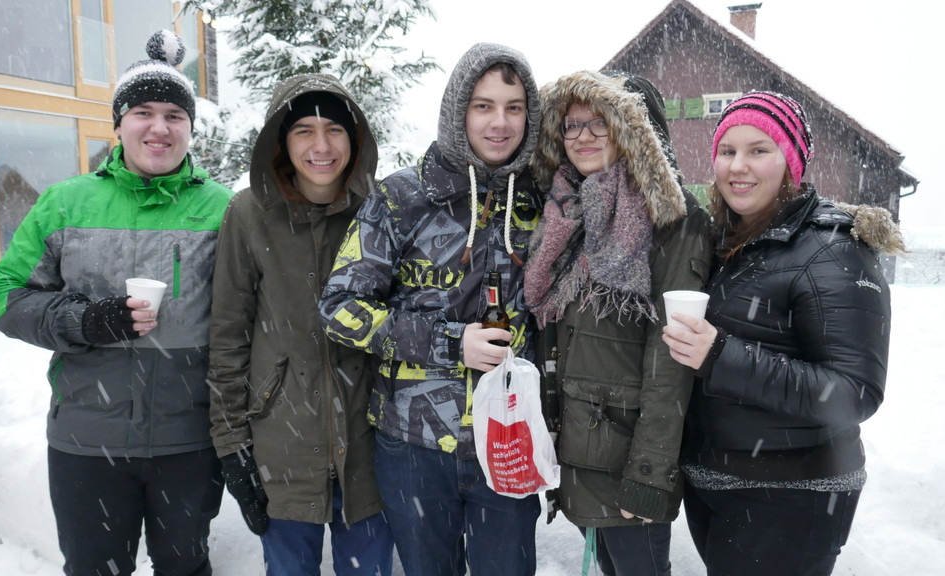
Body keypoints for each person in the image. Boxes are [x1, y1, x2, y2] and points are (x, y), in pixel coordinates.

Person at [0, 30, 232, 576]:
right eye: (143, 111)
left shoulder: (224, 210)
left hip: (188, 442)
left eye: (174, 114)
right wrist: (84, 320)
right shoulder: (66, 202)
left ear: (191, 128)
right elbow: (4, 297)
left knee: (186, 567)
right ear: (118, 124)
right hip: (86, 441)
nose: (159, 127)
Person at [319, 43, 544, 576]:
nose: (499, 122)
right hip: (414, 446)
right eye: (483, 106)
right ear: (457, 111)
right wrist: (449, 342)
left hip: (508, 438)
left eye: (514, 107)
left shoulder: (544, 200)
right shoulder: (403, 197)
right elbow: (339, 308)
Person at [662, 91, 905, 576]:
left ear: (791, 161)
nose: (738, 166)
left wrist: (721, 356)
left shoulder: (832, 250)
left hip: (792, 495)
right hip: (719, 483)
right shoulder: (726, 240)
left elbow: (854, 392)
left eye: (758, 150)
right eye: (727, 151)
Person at [523, 70, 711, 576]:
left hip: (628, 458)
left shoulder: (673, 220)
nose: (582, 137)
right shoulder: (567, 208)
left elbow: (671, 362)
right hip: (580, 447)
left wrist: (648, 475)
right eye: (571, 125)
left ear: (634, 131)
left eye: (599, 124)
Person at [207, 74, 394, 575]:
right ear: (280, 142)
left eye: (334, 128)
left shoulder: (382, 211)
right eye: (303, 131)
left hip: (369, 444)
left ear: (354, 138)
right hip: (281, 445)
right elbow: (228, 337)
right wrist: (233, 449)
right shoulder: (247, 214)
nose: (321, 146)